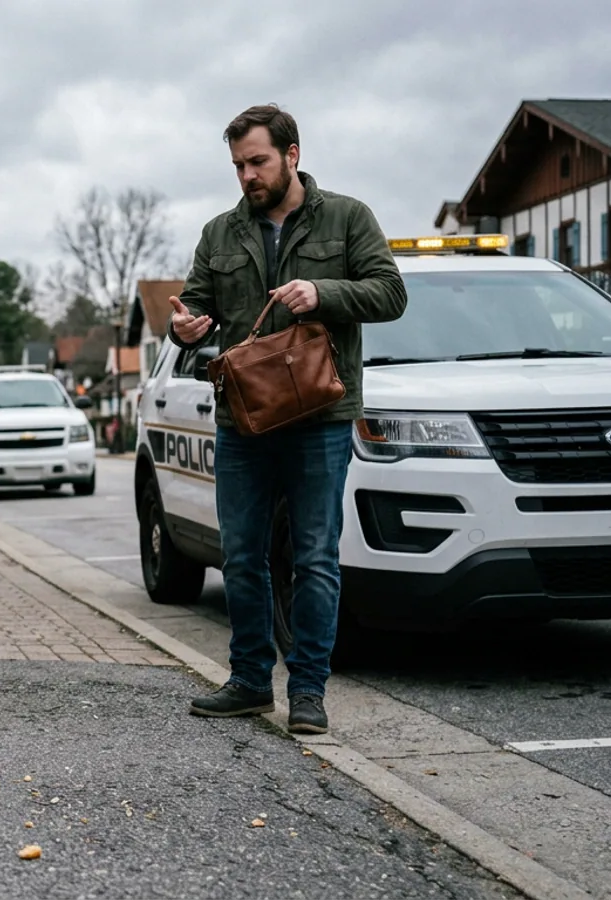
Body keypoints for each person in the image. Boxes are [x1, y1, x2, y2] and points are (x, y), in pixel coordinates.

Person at [167, 104, 407, 735]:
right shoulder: (219, 233)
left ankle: (307, 692)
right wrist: (185, 325)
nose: (248, 175)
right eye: (239, 165)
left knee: (315, 558)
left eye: (258, 161)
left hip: (321, 414)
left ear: (292, 154)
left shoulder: (348, 217)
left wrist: (323, 293)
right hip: (244, 418)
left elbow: (391, 293)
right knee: (242, 554)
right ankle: (249, 681)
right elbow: (195, 306)